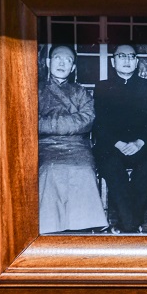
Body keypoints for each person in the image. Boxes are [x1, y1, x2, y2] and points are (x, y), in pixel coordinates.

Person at [93, 44, 147, 233]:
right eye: (121, 56)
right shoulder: (102, 86)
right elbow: (99, 123)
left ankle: (125, 224)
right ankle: (132, 224)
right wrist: (118, 143)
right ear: (113, 61)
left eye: (131, 56)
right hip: (112, 146)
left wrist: (139, 142)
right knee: (113, 167)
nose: (126, 60)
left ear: (137, 61)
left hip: (143, 145)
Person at [38, 45, 108, 234]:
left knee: (83, 169)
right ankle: (50, 226)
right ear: (48, 62)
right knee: (50, 170)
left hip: (77, 146)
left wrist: (50, 125)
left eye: (68, 60)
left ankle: (83, 225)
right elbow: (31, 122)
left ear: (73, 67)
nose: (62, 63)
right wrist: (68, 123)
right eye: (58, 58)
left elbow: (87, 119)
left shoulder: (80, 92)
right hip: (46, 146)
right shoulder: (36, 90)